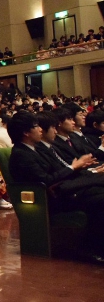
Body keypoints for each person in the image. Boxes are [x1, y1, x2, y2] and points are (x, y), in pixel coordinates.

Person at [8, 111, 104, 261]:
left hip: (63, 190)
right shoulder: (22, 154)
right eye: (36, 126)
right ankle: (91, 247)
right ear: (26, 132)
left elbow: (56, 171)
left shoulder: (34, 149)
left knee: (98, 190)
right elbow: (45, 180)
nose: (40, 129)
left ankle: (94, 244)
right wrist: (73, 167)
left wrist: (77, 168)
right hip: (50, 199)